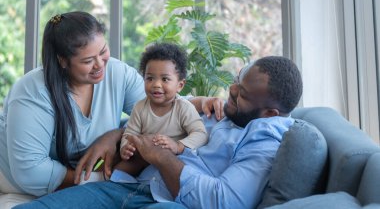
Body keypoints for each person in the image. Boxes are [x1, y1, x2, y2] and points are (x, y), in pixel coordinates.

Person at [14, 55, 303, 209]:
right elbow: (163, 116)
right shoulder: (227, 112)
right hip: (129, 186)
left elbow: (222, 201)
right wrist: (114, 136)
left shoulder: (264, 139)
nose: (232, 91)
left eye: (243, 95)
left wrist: (161, 158)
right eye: (238, 81)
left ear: (270, 114)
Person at [0, 11, 223, 200]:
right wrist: (98, 179)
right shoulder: (32, 92)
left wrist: (202, 102)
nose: (100, 65)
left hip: (79, 178)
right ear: (62, 61)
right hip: (13, 180)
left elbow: (159, 105)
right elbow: (30, 172)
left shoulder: (116, 72)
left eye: (103, 51)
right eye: (88, 61)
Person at [114, 42, 208, 176]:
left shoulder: (183, 107)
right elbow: (130, 134)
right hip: (145, 159)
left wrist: (178, 146)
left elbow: (201, 134)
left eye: (165, 79)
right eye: (150, 78)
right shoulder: (140, 107)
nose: (156, 85)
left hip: (174, 160)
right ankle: (106, 180)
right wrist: (126, 148)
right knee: (121, 168)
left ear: (180, 85)